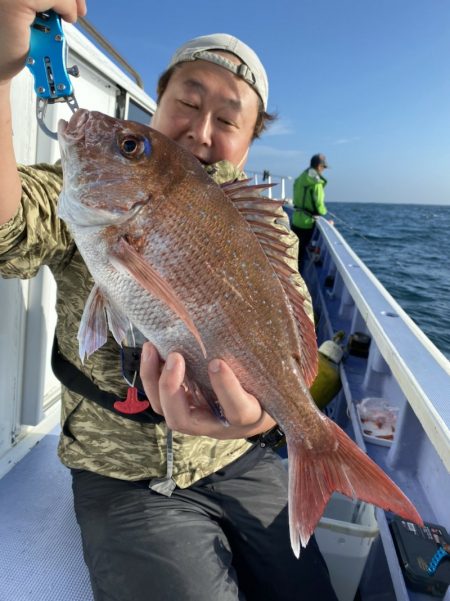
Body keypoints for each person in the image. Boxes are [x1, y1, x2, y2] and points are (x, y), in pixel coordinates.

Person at [0, 2, 337, 600]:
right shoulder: (83, 187)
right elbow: (6, 230)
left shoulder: (264, 224)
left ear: (250, 142)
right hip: (122, 476)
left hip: (239, 458)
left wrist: (262, 416)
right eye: (187, 100)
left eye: (228, 119)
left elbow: (295, 335)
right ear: (158, 101)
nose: (201, 130)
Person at [291, 153, 329, 268]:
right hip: (307, 223)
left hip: (296, 219)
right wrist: (323, 213)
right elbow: (319, 204)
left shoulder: (300, 178)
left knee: (294, 252)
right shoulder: (316, 183)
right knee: (300, 257)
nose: (323, 170)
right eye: (323, 167)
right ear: (318, 166)